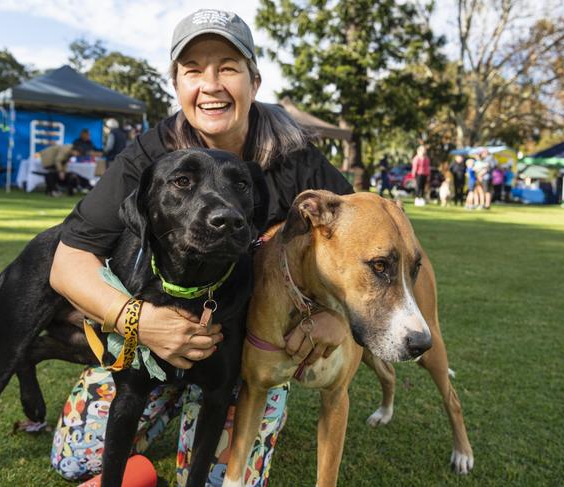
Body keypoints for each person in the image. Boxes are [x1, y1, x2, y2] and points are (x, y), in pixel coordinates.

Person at [48, 9, 352, 486]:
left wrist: (338, 315)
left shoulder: (297, 158)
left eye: (227, 67)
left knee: (218, 482)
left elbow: (379, 242)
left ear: (254, 79)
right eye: (193, 70)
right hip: (152, 343)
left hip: (247, 352)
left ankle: (210, 415)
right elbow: (67, 263)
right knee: (76, 457)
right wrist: (141, 321)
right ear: (177, 84)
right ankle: (160, 415)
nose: (210, 84)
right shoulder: (151, 155)